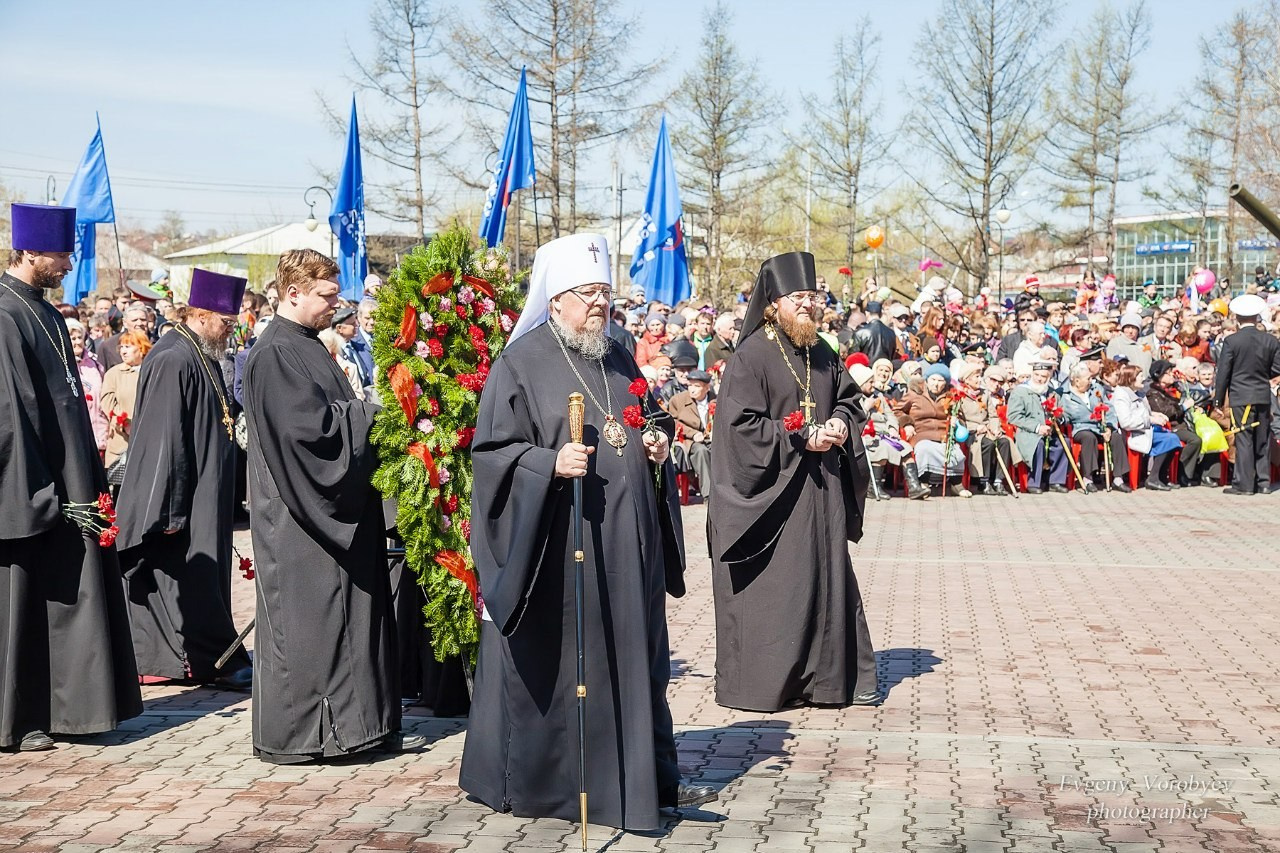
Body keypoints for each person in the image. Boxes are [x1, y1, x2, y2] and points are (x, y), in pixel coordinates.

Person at [462, 233, 715, 831]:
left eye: (604, 292)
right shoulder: (519, 364)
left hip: (627, 548)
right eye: (587, 294)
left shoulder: (619, 355)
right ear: (555, 300)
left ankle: (634, 777)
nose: (600, 304)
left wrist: (657, 437)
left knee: (634, 660)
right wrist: (548, 464)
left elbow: (644, 413)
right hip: (562, 551)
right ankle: (562, 785)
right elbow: (492, 454)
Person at [242, 248, 419, 763]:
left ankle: (358, 726)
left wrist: (361, 415)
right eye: (325, 296)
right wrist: (369, 415)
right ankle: (313, 734)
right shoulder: (276, 352)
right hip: (302, 518)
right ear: (292, 292)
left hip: (333, 513)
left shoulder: (308, 344)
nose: (334, 304)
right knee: (312, 627)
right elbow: (311, 436)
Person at [708, 250, 877, 712]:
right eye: (797, 297)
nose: (807, 304)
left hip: (820, 491)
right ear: (773, 303)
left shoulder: (821, 351)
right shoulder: (752, 356)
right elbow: (740, 427)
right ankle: (774, 684)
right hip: (773, 496)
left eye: (812, 296)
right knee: (784, 589)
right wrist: (800, 435)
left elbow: (848, 400)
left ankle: (831, 681)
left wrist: (841, 423)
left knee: (825, 578)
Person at [0, 203, 141, 751]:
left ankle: (70, 708)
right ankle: (18, 718)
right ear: (31, 251)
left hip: (73, 479)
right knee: (25, 600)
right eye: (60, 253)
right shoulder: (6, 315)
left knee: (70, 596)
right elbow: (11, 413)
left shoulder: (50, 314)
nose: (69, 262)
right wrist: (40, 496)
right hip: (34, 487)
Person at [115, 269, 254, 690]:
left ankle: (200, 657)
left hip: (205, 493)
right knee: (185, 578)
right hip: (183, 498)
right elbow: (163, 438)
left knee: (199, 579)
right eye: (226, 323)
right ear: (202, 313)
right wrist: (170, 510)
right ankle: (207, 659)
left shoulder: (201, 352)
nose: (231, 331)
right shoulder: (174, 357)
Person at [1214, 294, 1280, 494]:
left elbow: (1223, 372)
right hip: (1262, 394)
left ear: (1237, 317)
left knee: (1243, 438)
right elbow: (1277, 368)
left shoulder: (1232, 341)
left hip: (1241, 395)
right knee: (1262, 438)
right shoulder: (1270, 340)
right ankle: (1263, 483)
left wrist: (1218, 399)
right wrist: (1261, 375)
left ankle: (1244, 484)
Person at [1111, 363, 1181, 490]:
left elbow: (1145, 412)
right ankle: (1153, 478)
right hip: (1134, 433)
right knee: (1170, 440)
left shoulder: (1139, 393)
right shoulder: (1121, 395)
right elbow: (1126, 422)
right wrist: (1150, 420)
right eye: (1140, 376)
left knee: (1173, 439)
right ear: (1130, 378)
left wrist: (1157, 415)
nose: (1143, 378)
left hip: (1146, 429)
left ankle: (1161, 477)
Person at [897, 364, 965, 487]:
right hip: (921, 434)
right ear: (926, 380)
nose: (936, 384)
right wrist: (907, 423)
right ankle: (924, 482)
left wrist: (957, 421)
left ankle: (956, 484)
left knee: (957, 454)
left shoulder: (951, 396)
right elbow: (897, 411)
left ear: (946, 383)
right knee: (924, 449)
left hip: (944, 435)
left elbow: (961, 417)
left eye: (940, 380)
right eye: (933, 380)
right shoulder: (914, 393)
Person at [1007, 362, 1069, 493]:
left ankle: (1055, 481)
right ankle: (1033, 482)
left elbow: (1064, 413)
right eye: (1036, 375)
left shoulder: (1053, 393)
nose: (1039, 379)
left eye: (1043, 376)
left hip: (1050, 431)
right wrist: (1037, 427)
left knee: (1064, 443)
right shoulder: (1020, 392)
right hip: (1028, 432)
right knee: (1038, 444)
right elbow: (1013, 416)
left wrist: (1057, 418)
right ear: (1032, 374)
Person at [1146, 359, 1202, 487]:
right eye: (1168, 372)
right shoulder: (1153, 393)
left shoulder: (1170, 390)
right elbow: (1166, 412)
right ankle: (1183, 475)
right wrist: (1183, 407)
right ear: (1158, 375)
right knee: (1195, 440)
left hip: (1181, 425)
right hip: (1170, 427)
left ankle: (1193, 475)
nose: (1172, 374)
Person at [100, 330, 151, 471]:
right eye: (121, 347)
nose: (123, 351)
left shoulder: (152, 371)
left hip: (149, 438)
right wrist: (126, 423)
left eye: (127, 347)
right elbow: (107, 403)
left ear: (141, 348)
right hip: (122, 439)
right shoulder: (114, 374)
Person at [668, 368, 715, 497]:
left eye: (697, 386)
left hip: (712, 438)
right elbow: (673, 421)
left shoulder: (715, 400)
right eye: (689, 385)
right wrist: (693, 434)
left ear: (706, 388)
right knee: (701, 452)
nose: (692, 389)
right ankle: (708, 495)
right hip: (689, 440)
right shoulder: (678, 400)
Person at [67, 317, 108, 455]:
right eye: (72, 338)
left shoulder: (95, 363)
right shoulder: (60, 365)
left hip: (100, 431)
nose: (77, 342)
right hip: (76, 434)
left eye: (80, 337)